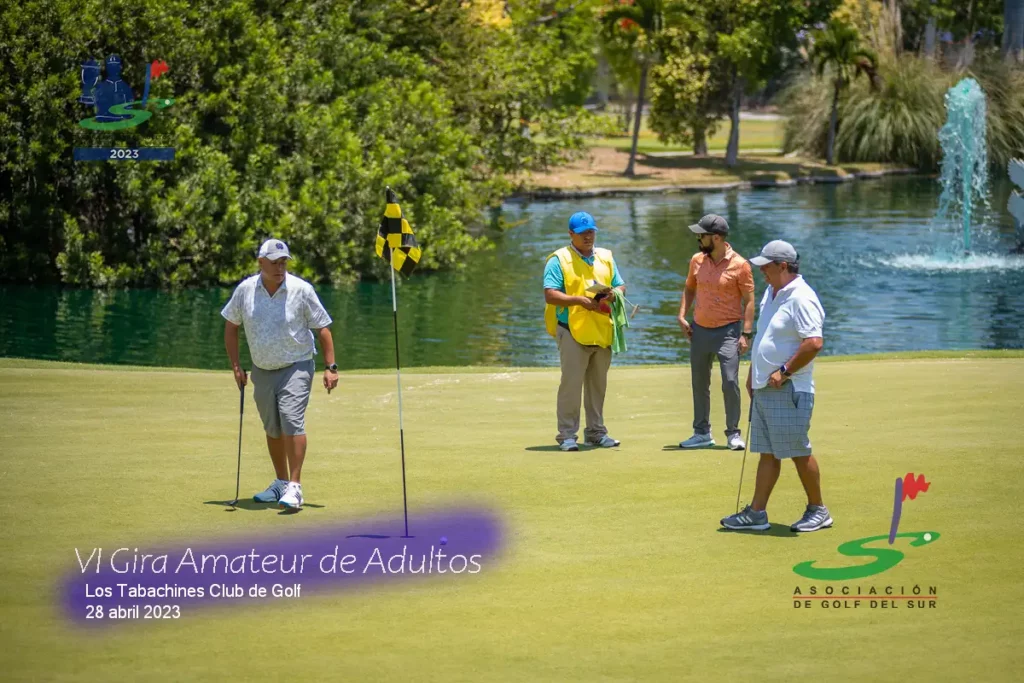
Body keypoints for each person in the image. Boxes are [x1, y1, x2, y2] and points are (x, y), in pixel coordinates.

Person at [720, 240, 831, 533]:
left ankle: (819, 510)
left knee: (797, 450)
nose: (762, 272)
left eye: (766, 267)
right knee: (767, 452)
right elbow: (765, 337)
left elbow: (813, 343)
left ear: (782, 266)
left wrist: (784, 372)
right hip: (766, 386)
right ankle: (757, 513)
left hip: (789, 388)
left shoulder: (802, 297)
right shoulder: (772, 292)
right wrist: (754, 373)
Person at [221, 239, 339, 510]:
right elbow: (231, 326)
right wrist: (236, 366)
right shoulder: (245, 290)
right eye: (274, 262)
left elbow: (323, 328)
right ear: (261, 263)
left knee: (290, 420)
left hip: (296, 365)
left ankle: (295, 487)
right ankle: (281, 482)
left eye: (283, 262)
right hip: (262, 369)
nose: (279, 267)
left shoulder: (301, 289)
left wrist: (331, 367)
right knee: (272, 426)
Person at [543, 211, 626, 452]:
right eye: (582, 233)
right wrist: (579, 300)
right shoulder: (558, 259)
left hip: (601, 328)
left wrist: (613, 294)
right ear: (571, 234)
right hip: (571, 329)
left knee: (597, 385)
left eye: (591, 232)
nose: (588, 237)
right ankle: (567, 435)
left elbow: (620, 284)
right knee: (571, 385)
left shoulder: (605, 257)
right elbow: (550, 294)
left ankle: (596, 433)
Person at [677, 214, 755, 451]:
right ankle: (701, 433)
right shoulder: (697, 260)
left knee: (730, 381)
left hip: (728, 332)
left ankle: (733, 433)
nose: (699, 239)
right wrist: (682, 315)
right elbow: (689, 288)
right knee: (699, 383)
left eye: (702, 235)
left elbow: (749, 301)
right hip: (699, 330)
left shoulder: (740, 265)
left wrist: (746, 334)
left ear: (717, 238)